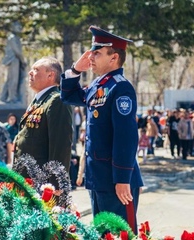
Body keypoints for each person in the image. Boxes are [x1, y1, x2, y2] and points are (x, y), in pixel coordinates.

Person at [60, 25, 143, 234]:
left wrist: (123, 178)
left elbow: (126, 136)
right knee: (102, 234)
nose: (91, 57)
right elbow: (69, 96)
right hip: (98, 178)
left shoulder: (120, 87)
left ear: (113, 58)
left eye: (96, 53)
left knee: (120, 234)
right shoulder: (99, 85)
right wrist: (75, 70)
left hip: (117, 181)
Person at [14, 56, 73, 188]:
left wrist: (56, 183)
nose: (30, 72)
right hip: (27, 180)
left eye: (36, 69)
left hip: (43, 184)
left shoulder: (57, 101)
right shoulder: (38, 100)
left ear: (50, 75)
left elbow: (61, 145)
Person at [0, 21, 26, 103]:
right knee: (13, 80)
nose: (20, 29)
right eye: (18, 27)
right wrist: (23, 60)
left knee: (12, 79)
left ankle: (3, 97)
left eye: (20, 27)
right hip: (13, 59)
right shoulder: (12, 38)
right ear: (13, 27)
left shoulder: (16, 38)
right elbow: (17, 51)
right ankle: (11, 98)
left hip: (16, 60)